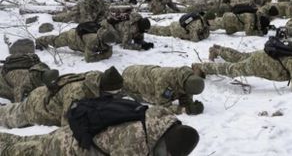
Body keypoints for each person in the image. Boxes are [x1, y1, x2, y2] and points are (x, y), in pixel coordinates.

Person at [0, 106, 199, 156]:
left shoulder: (159, 119)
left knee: (28, 141)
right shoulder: (134, 144)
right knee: (17, 151)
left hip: (76, 131)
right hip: (66, 149)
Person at [0, 66, 124, 128]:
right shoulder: (76, 94)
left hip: (48, 95)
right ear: (104, 87)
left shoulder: (97, 78)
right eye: (113, 93)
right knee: (9, 116)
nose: (115, 95)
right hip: (38, 108)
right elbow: (68, 126)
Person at [192, 44, 292, 91]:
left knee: (241, 57)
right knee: (232, 70)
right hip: (261, 65)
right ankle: (201, 67)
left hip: (263, 56)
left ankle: (218, 50)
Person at [122, 65, 205, 115]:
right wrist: (185, 110)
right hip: (130, 79)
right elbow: (162, 105)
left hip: (146, 71)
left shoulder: (186, 77)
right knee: (148, 96)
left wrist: (190, 105)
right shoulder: (164, 82)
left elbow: (185, 94)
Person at [35, 24, 115, 63]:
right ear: (103, 40)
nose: (111, 46)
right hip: (71, 37)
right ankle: (39, 40)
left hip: (78, 39)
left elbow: (109, 52)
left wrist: (105, 54)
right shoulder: (93, 41)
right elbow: (89, 58)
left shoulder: (107, 39)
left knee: (55, 41)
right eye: (110, 44)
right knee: (54, 42)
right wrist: (103, 55)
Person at [208, 6, 278, 36]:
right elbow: (248, 32)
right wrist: (260, 32)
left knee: (215, 22)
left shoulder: (256, 15)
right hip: (229, 20)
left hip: (231, 22)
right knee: (212, 25)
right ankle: (203, 25)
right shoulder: (252, 19)